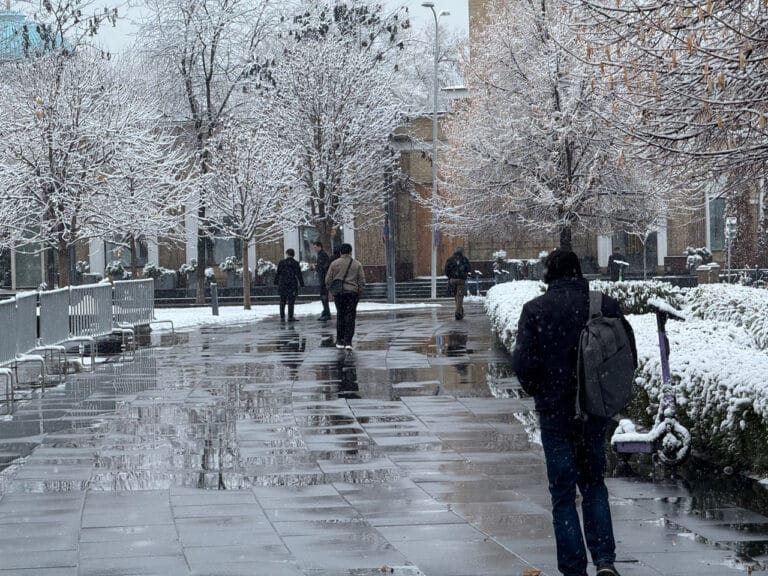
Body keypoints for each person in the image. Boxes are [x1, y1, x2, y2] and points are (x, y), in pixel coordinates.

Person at [511, 249, 637, 576]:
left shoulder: (536, 310)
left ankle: (573, 568)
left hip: (555, 415)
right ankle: (605, 561)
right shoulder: (602, 305)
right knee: (594, 484)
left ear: (548, 274)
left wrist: (543, 390)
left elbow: (523, 364)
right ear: (579, 271)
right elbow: (628, 353)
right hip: (595, 412)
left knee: (563, 493)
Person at [325, 243, 365, 350]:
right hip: (352, 293)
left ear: (340, 252)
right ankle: (348, 341)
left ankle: (339, 340)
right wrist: (358, 292)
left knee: (340, 315)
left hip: (339, 294)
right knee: (350, 317)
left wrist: (332, 290)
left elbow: (328, 280)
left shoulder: (334, 264)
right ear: (350, 252)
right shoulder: (357, 264)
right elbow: (362, 280)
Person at [274, 248, 304, 322]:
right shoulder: (296, 263)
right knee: (291, 301)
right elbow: (299, 274)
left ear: (287, 254)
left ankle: (282, 315)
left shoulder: (282, 262)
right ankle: (290, 316)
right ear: (293, 255)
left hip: (283, 283)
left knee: (282, 300)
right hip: (292, 284)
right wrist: (302, 283)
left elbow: (278, 273)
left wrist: (276, 282)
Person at [444, 247, 471, 320]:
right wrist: (464, 274)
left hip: (452, 280)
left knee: (456, 296)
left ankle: (460, 311)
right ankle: (458, 312)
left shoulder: (450, 259)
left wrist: (450, 276)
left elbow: (446, 270)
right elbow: (468, 269)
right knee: (460, 296)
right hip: (461, 280)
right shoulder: (464, 259)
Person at [313, 241, 332, 321]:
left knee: (324, 296)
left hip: (323, 279)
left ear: (319, 247)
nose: (314, 249)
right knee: (324, 296)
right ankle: (325, 312)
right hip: (323, 278)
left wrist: (315, 267)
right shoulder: (321, 255)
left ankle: (327, 313)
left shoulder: (322, 255)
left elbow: (323, 267)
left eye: (315, 247)